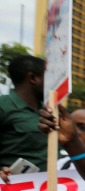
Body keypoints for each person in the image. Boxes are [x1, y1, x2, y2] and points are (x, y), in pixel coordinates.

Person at [0, 55, 46, 183]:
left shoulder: (50, 110)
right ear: (33, 78)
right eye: (49, 77)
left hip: (49, 189)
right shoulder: (3, 106)